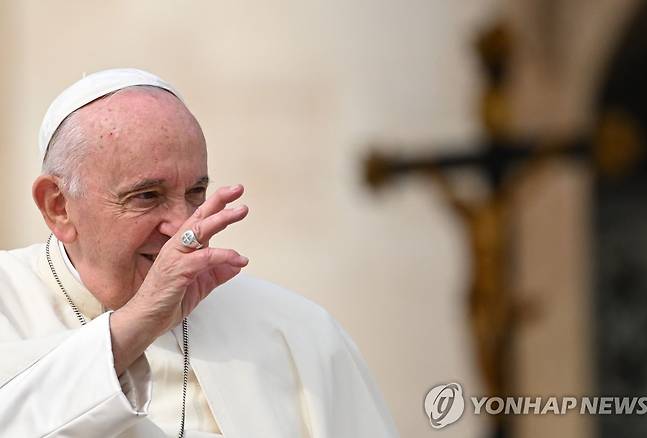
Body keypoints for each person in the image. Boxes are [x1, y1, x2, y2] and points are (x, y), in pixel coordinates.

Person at [0, 68, 398, 438]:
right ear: (58, 206)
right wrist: (137, 323)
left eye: (195, 193)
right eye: (146, 196)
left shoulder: (296, 330)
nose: (183, 226)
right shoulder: (8, 298)